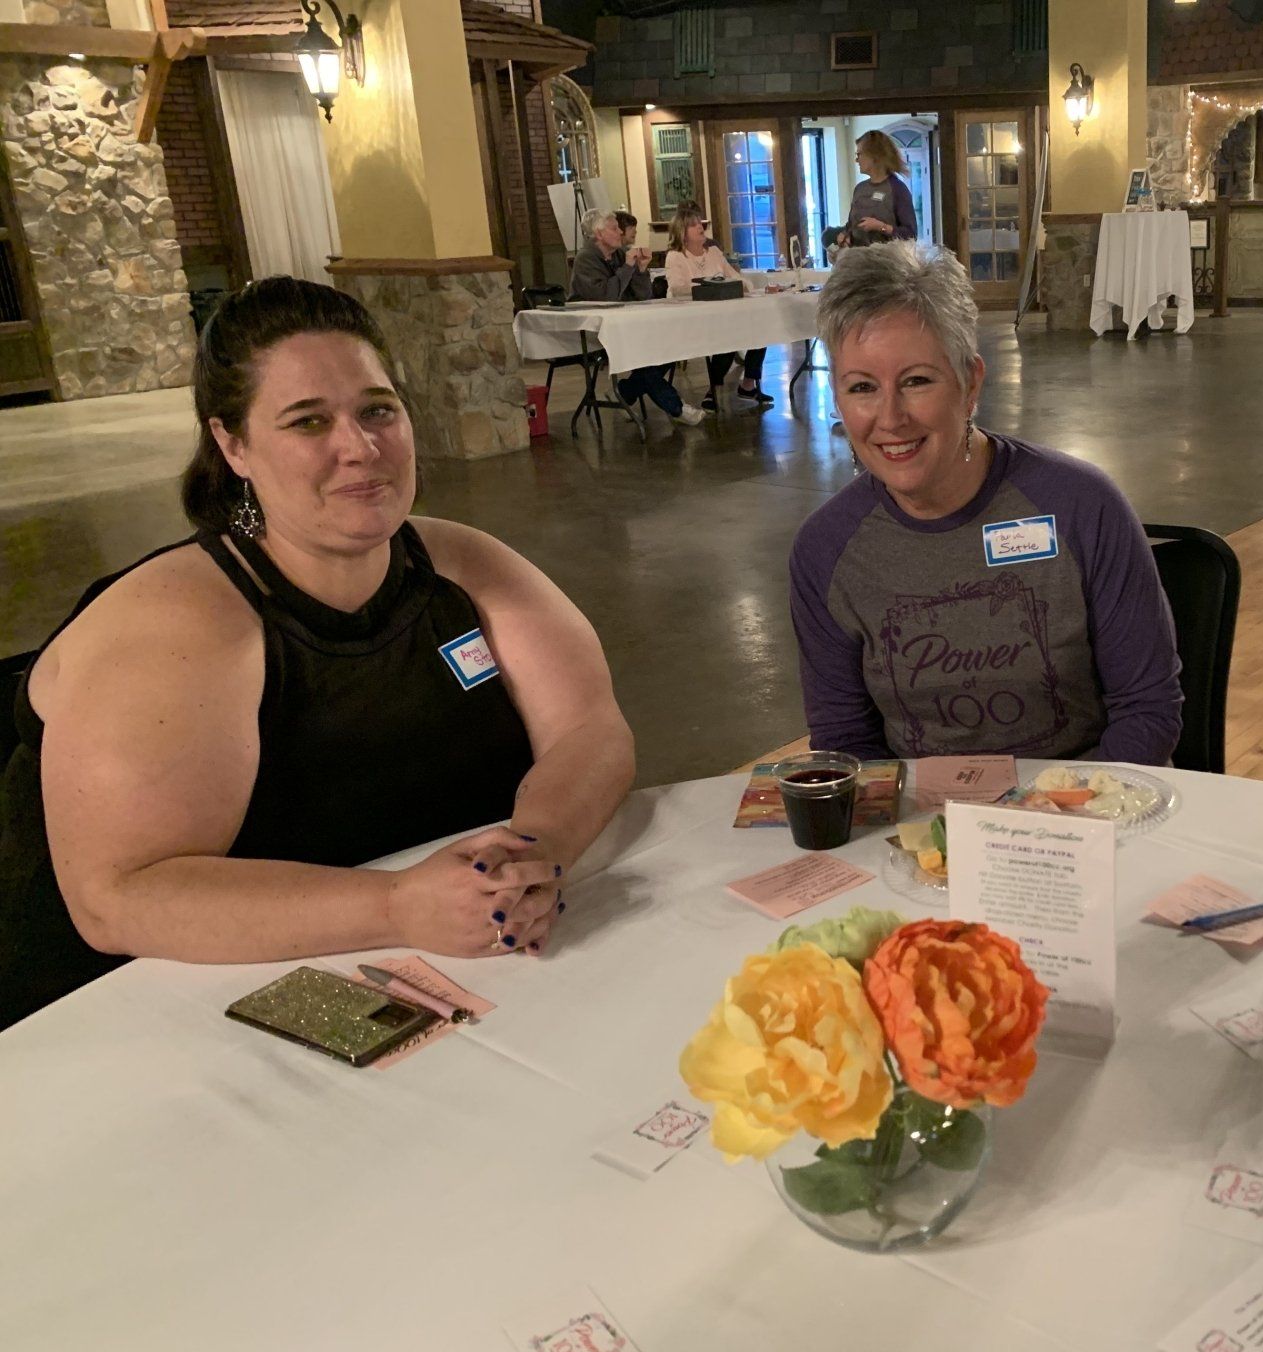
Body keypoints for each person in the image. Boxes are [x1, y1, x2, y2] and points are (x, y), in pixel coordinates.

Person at [0, 278, 637, 1029]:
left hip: (434, 976)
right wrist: (398, 907)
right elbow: (117, 901)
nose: (359, 448)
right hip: (146, 1013)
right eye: (308, 422)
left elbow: (589, 731)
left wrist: (537, 852)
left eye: (377, 410)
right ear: (232, 444)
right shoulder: (170, 626)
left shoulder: (466, 566)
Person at [788, 244, 1183, 762]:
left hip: (1087, 813)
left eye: (916, 381)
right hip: (922, 831)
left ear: (970, 382)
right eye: (862, 387)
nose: (890, 418)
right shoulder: (825, 551)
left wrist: (1038, 824)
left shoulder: (1083, 508)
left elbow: (1148, 711)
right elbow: (846, 744)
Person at [568, 208, 703, 429]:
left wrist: (640, 269)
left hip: (627, 324)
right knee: (645, 356)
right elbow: (606, 297)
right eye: (614, 228)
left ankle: (623, 392)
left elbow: (643, 295)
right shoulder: (586, 260)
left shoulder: (620, 255)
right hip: (595, 331)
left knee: (669, 349)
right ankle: (677, 407)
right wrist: (628, 267)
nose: (620, 232)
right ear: (598, 234)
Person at [663, 203, 773, 412]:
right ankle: (713, 389)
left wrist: (745, 286)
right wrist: (710, 286)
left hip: (724, 313)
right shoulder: (675, 256)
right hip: (693, 316)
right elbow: (677, 289)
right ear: (682, 232)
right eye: (693, 225)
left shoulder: (713, 252)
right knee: (729, 337)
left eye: (700, 223)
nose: (700, 227)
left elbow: (735, 277)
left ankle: (748, 383)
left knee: (762, 327)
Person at [841, 130, 918, 248]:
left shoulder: (898, 189)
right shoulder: (860, 189)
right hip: (858, 261)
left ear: (874, 156)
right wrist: (845, 237)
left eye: (859, 154)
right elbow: (851, 226)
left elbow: (911, 235)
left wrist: (882, 227)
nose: (857, 160)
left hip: (888, 263)